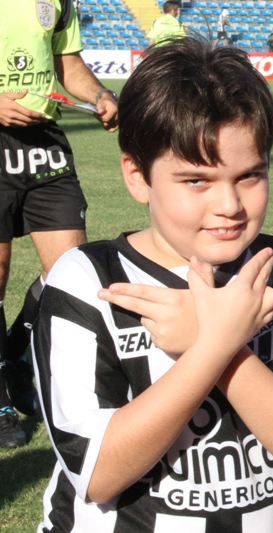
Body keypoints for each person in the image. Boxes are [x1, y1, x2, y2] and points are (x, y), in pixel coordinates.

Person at [32, 39, 273, 531]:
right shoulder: (88, 280)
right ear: (137, 176)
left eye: (250, 175)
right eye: (196, 181)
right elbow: (99, 473)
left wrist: (214, 345)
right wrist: (213, 346)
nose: (229, 205)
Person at [0, 0, 118, 448]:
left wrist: (99, 95)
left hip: (44, 143)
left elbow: (68, 64)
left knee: (68, 273)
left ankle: (14, 354)